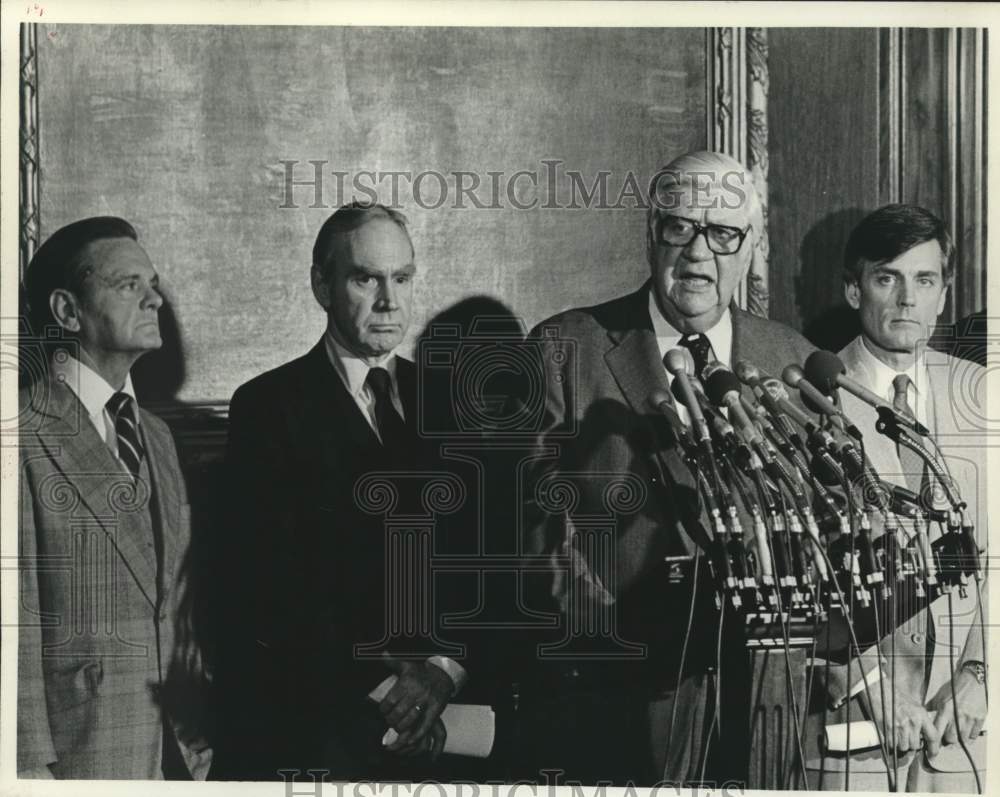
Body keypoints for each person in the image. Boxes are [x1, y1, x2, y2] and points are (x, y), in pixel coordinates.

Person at [518, 151, 816, 785]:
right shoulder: (566, 349)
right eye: (679, 227)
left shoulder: (792, 360)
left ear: (752, 246)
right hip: (620, 692)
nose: (698, 253)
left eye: (723, 233)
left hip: (769, 700)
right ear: (651, 233)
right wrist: (608, 633)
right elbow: (528, 524)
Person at [209, 202, 467, 781]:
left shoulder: (452, 402)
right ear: (321, 285)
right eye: (364, 278)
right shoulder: (270, 407)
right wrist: (390, 695)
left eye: (401, 278)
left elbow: (485, 559)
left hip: (456, 714)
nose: (388, 300)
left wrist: (443, 671)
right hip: (326, 722)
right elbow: (273, 583)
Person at [17, 217, 210, 779]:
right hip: (83, 754)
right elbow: (14, 622)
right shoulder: (21, 433)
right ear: (67, 311)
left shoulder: (156, 434)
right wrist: (28, 770)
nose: (156, 300)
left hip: (181, 747)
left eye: (153, 284)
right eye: (129, 286)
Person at [806, 204, 987, 792]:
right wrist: (870, 688)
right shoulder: (809, 401)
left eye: (925, 280)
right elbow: (801, 578)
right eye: (888, 278)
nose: (908, 299)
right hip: (853, 734)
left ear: (943, 293)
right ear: (853, 288)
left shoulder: (983, 394)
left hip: (963, 739)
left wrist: (980, 675)